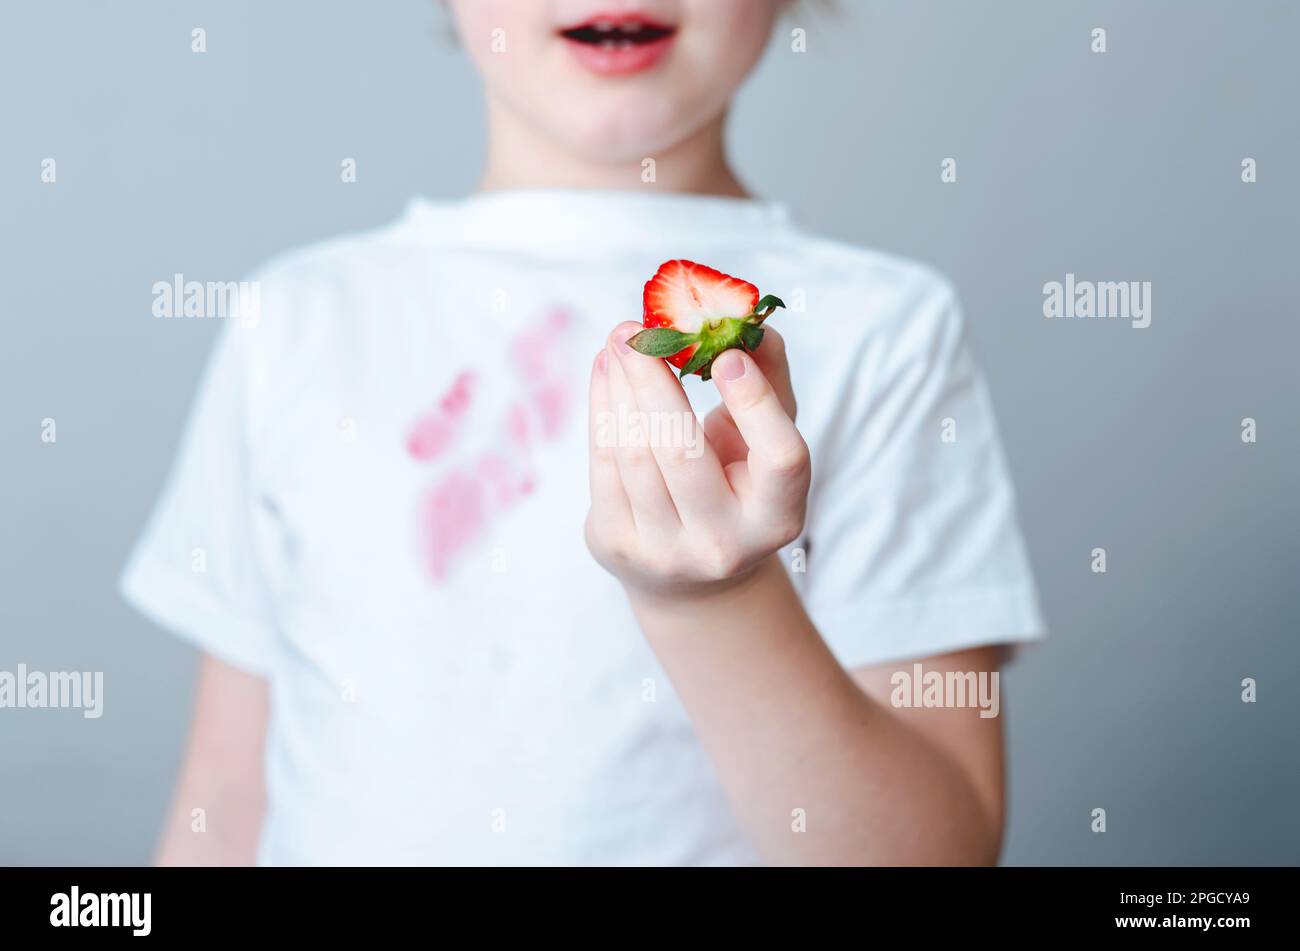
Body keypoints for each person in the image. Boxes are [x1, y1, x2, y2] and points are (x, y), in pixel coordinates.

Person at [122, 0, 1043, 865]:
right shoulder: (296, 318)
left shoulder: (887, 329)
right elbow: (226, 792)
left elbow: (936, 850)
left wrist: (716, 602)